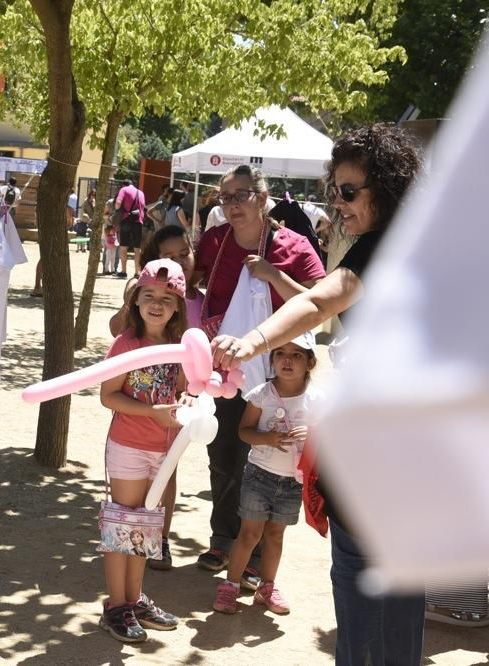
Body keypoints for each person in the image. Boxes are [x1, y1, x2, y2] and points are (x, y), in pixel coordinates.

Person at [210, 124, 425, 665]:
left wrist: (254, 340)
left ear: (388, 189)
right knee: (397, 619)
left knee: (365, 625)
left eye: (349, 191)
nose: (339, 203)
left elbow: (321, 300)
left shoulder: (384, 248)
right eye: (336, 190)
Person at [194, 163, 325, 590]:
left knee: (272, 463)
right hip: (228, 370)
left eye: (241, 195)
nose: (232, 204)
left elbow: (320, 304)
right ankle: (223, 538)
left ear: (263, 198)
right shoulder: (213, 242)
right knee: (224, 452)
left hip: (281, 374)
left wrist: (274, 275)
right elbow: (194, 285)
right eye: (225, 197)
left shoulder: (295, 245)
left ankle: (252, 557)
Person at [98, 259, 188, 642]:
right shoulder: (126, 343)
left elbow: (186, 389)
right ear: (135, 300)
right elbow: (108, 396)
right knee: (123, 527)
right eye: (148, 295)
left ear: (178, 307)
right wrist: (152, 412)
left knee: (145, 531)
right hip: (129, 448)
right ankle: (115, 606)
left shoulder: (180, 346)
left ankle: (133, 600)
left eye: (167, 298)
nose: (156, 303)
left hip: (163, 452)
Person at [108, 225, 202, 571]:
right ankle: (121, 598)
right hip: (130, 438)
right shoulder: (131, 337)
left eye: (183, 253)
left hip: (166, 434)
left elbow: (187, 382)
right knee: (126, 516)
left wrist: (191, 397)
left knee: (154, 503)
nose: (177, 261)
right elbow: (110, 391)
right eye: (168, 255)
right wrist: (132, 298)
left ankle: (152, 551)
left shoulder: (189, 314)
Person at [213, 333, 320, 615]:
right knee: (249, 535)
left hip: (292, 483)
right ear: (271, 360)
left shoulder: (317, 400)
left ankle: (267, 587)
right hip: (259, 476)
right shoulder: (262, 393)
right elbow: (243, 431)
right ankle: (230, 587)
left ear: (310, 362)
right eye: (280, 353)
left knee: (275, 536)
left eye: (297, 354)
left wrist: (312, 434)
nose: (287, 360)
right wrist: (268, 439)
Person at [113, 179, 146, 279]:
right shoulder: (141, 192)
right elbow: (143, 207)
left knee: (124, 247)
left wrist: (117, 209)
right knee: (137, 248)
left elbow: (118, 203)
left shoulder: (123, 190)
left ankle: (123, 271)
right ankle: (137, 272)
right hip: (138, 221)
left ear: (124, 185)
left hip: (126, 220)